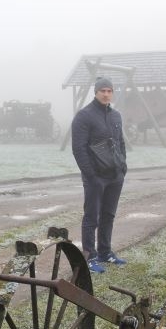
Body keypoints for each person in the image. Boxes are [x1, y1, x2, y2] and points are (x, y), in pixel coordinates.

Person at [71, 76, 129, 274]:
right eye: (102, 90)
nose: (106, 94)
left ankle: (105, 252)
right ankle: (90, 256)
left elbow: (120, 142)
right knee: (91, 217)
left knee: (108, 215)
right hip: (95, 177)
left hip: (115, 175)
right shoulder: (84, 116)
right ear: (95, 92)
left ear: (112, 93)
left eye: (109, 91)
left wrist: (123, 167)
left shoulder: (116, 116)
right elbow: (78, 149)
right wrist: (91, 175)